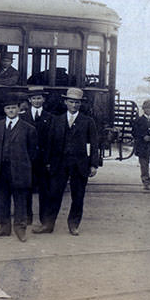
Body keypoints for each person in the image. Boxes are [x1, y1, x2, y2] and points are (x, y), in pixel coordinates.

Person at [34, 87, 99, 235]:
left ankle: (74, 225)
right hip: (60, 163)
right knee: (54, 194)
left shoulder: (87, 121)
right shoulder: (56, 120)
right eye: (71, 102)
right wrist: (48, 162)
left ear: (81, 104)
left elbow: (94, 145)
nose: (74, 105)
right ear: (65, 102)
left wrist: (93, 165)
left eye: (77, 102)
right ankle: (48, 225)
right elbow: (49, 142)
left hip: (80, 164)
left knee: (78, 196)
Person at [0, 95, 38, 241]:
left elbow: (33, 153)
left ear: (19, 110)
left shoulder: (29, 129)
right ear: (4, 110)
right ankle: (4, 227)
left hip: (19, 170)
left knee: (20, 201)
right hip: (1, 170)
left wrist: (22, 163)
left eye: (13, 108)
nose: (11, 110)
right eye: (8, 108)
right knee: (2, 200)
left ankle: (20, 229)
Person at [23, 86, 52, 224]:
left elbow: (52, 141)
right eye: (34, 98)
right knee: (26, 189)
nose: (36, 101)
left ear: (43, 99)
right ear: (29, 100)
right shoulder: (23, 117)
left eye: (39, 98)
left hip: (43, 160)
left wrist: (49, 160)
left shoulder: (50, 117)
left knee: (44, 190)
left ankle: (44, 219)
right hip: (27, 159)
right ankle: (27, 217)